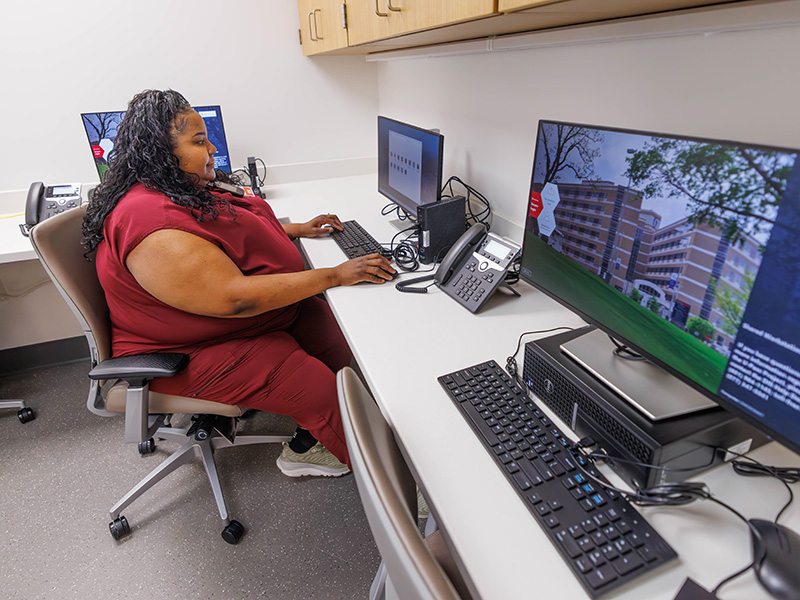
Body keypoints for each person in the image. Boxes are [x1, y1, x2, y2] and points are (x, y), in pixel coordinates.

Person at [82, 89, 395, 477]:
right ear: (160, 150)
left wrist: (296, 229)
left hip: (224, 325)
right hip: (183, 351)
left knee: (329, 331)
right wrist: (334, 275)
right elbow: (234, 300)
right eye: (199, 142)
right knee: (313, 385)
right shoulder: (152, 224)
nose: (211, 148)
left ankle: (308, 443)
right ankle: (404, 494)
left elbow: (223, 235)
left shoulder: (177, 187)